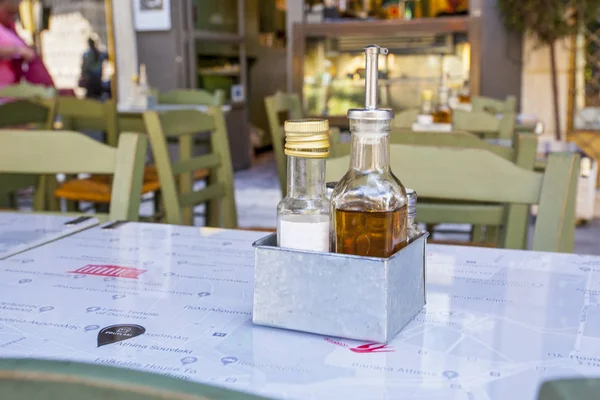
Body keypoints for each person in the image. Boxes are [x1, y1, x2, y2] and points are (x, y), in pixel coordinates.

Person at [0, 0, 54, 89]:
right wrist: (18, 51)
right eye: (9, 13)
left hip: (11, 91)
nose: (11, 17)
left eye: (14, 14)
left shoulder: (9, 27)